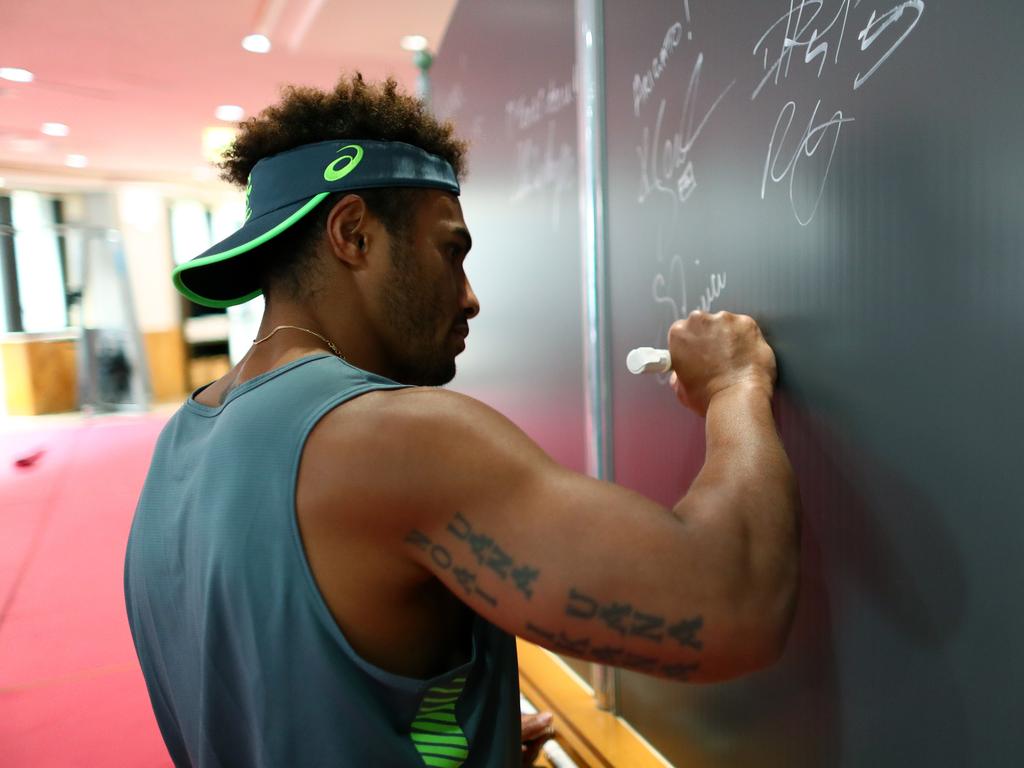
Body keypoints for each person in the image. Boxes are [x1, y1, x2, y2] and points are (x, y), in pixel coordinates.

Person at [124, 73, 800, 767]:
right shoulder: (387, 438)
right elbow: (733, 605)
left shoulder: (183, 439)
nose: (470, 297)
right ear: (353, 234)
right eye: (452, 252)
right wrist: (735, 384)